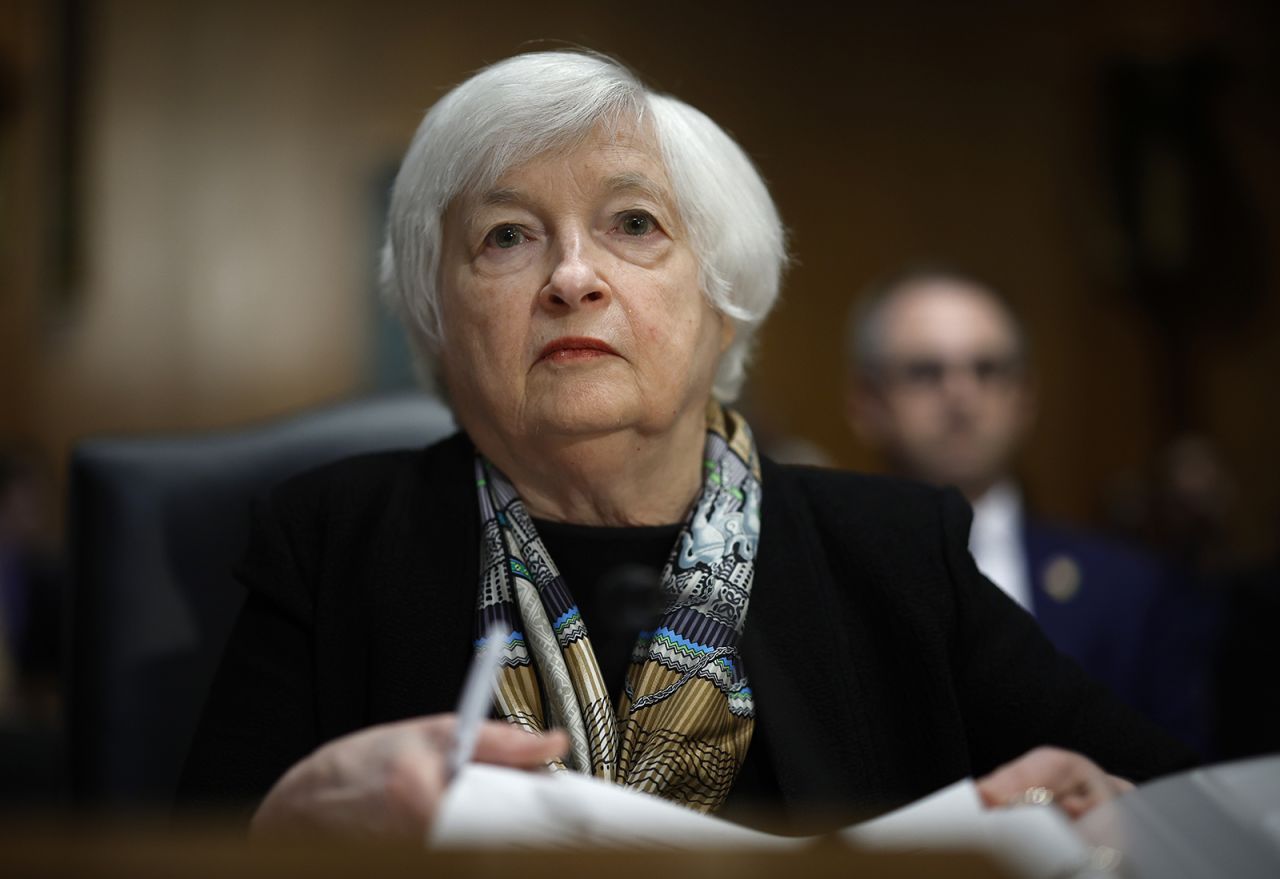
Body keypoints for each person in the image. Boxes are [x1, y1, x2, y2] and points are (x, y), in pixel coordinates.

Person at [180, 51, 1195, 839]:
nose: (571, 277)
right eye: (504, 236)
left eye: (632, 224)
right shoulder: (330, 540)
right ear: (434, 315)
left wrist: (1088, 805)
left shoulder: (892, 551)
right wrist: (282, 828)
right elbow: (185, 851)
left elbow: (1184, 801)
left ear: (724, 304)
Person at [844, 266, 1215, 754]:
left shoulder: (1130, 589)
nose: (962, 395)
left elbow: (1184, 781)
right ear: (867, 403)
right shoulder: (815, 583)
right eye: (925, 372)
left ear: (1026, 397)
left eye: (989, 369)